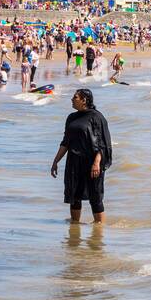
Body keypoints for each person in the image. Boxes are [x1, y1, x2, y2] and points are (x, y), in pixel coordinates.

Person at [49, 88, 112, 224]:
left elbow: (103, 143)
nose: (72, 99)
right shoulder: (71, 117)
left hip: (92, 163)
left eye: (75, 97)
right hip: (74, 161)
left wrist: (96, 163)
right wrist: (55, 161)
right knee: (74, 195)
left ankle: (99, 231)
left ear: (84, 100)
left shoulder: (97, 117)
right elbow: (66, 142)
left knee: (95, 196)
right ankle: (74, 228)